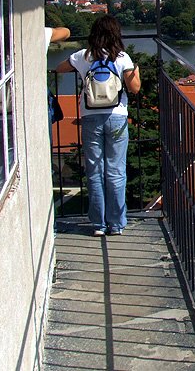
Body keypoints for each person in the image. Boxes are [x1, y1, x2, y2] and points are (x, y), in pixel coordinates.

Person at [56, 16, 141, 237]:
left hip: (90, 117)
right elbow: (135, 88)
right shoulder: (122, 57)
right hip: (116, 116)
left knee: (95, 171)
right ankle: (116, 223)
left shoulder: (83, 56)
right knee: (115, 170)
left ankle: (98, 224)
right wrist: (135, 69)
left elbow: (59, 68)